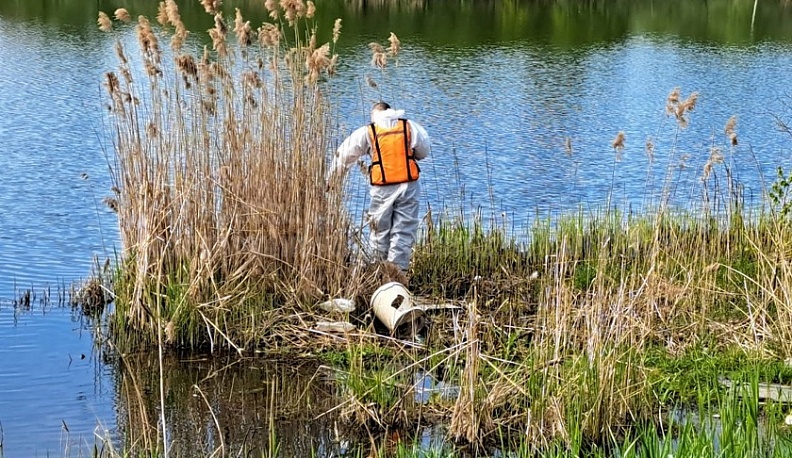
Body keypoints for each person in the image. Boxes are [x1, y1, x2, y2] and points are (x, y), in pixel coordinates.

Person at [330, 102, 431, 272]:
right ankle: (398, 275)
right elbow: (424, 151)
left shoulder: (368, 131)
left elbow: (344, 154)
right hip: (409, 187)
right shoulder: (410, 126)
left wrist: (332, 179)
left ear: (374, 115)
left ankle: (377, 273)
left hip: (382, 188)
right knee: (403, 232)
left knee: (379, 232)